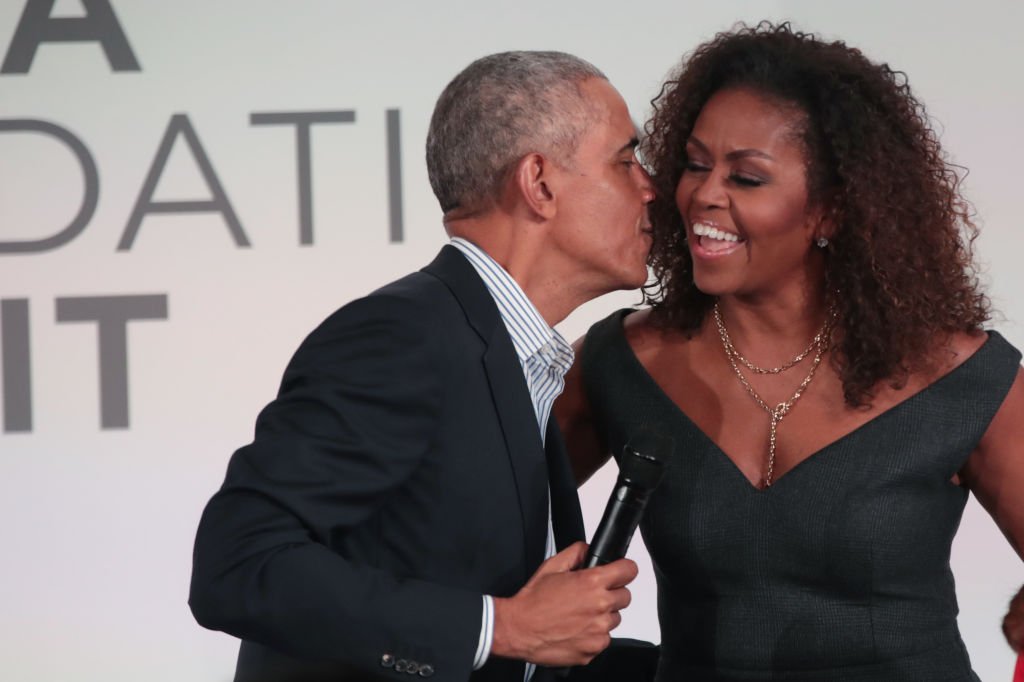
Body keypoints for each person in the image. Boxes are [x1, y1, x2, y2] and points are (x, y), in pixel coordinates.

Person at [555, 22, 1024, 681]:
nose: (703, 195)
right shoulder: (621, 361)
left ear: (833, 211)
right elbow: (473, 519)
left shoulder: (964, 379)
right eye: (694, 164)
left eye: (746, 177)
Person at [189, 50, 656, 682]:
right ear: (540, 183)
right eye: (626, 161)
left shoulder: (510, 355)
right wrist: (505, 625)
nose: (652, 188)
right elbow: (238, 564)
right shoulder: (400, 338)